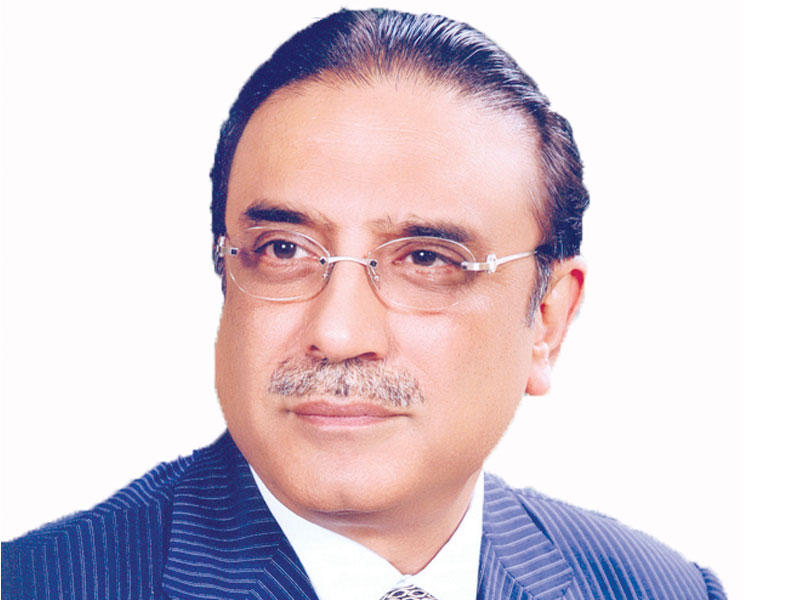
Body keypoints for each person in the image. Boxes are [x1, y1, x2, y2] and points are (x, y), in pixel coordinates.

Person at [1, 8, 726, 599]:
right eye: (284, 249)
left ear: (547, 321)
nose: (340, 331)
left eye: (426, 260)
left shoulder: (661, 591)